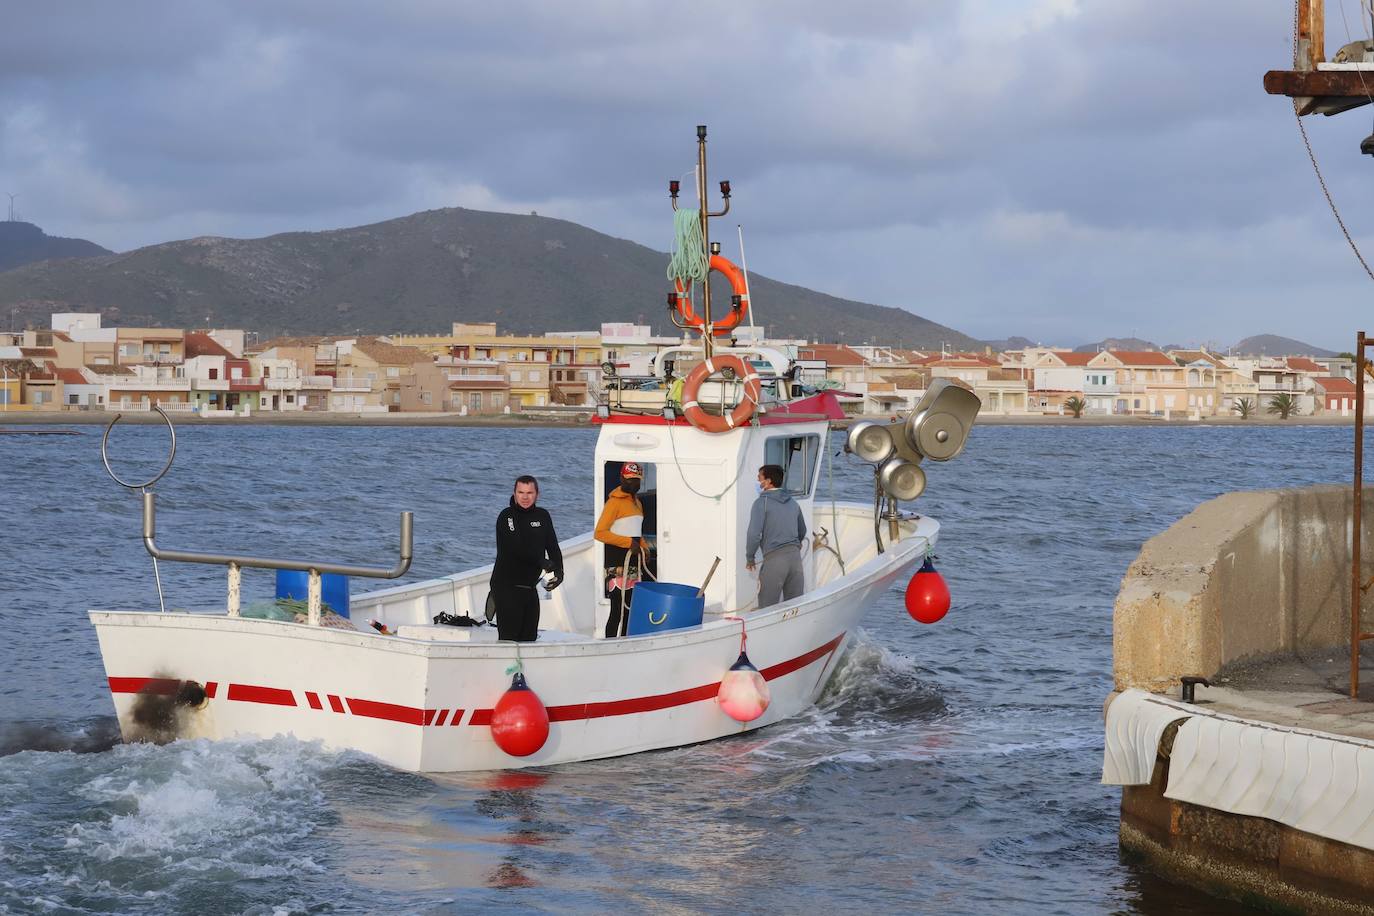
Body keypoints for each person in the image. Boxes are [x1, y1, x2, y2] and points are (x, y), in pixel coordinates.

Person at [491, 475, 563, 642]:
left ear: (537, 494)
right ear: (514, 493)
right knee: (509, 639)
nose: (525, 497)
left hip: (529, 587)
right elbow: (516, 547)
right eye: (521, 492)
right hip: (506, 586)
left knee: (529, 638)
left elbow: (552, 546)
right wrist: (542, 561)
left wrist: (559, 571)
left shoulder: (543, 516)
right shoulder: (507, 516)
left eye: (529, 493)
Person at [594, 462, 645, 638]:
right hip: (616, 564)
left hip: (633, 564)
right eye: (629, 479)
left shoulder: (638, 503)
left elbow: (636, 532)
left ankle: (624, 641)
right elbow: (600, 533)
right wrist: (628, 543)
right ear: (622, 478)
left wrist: (645, 549)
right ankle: (609, 644)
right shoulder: (613, 503)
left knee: (629, 609)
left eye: (636, 480)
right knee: (617, 609)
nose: (632, 483)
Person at [746, 463, 808, 607]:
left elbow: (753, 535)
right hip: (795, 560)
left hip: (775, 560)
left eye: (759, 478)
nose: (757, 481)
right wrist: (796, 544)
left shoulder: (761, 503)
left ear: (768, 482)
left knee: (767, 608)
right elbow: (802, 530)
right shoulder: (793, 503)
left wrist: (750, 558)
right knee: (794, 607)